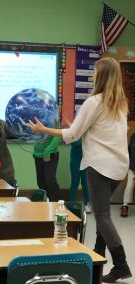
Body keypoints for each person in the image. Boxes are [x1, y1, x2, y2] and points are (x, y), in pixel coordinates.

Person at [29, 57, 132, 283]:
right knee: (103, 212)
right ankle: (97, 259)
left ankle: (122, 264)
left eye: (95, 71)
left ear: (101, 75)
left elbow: (73, 135)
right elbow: (95, 131)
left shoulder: (94, 102)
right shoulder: (120, 103)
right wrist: (72, 126)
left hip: (99, 165)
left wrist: (43, 128)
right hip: (119, 166)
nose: (93, 75)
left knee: (102, 215)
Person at [33, 135, 62, 201]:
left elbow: (57, 135)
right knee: (40, 182)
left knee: (50, 181)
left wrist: (47, 152)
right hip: (37, 154)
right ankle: (49, 204)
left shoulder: (55, 124)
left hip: (50, 154)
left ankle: (61, 204)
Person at [70, 139, 91, 213]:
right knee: (74, 183)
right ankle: (72, 204)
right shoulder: (74, 130)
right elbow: (75, 142)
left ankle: (87, 204)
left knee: (85, 184)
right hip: (75, 161)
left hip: (86, 161)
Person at [121, 133, 135, 217]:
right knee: (129, 186)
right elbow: (129, 150)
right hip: (132, 167)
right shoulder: (133, 136)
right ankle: (125, 206)